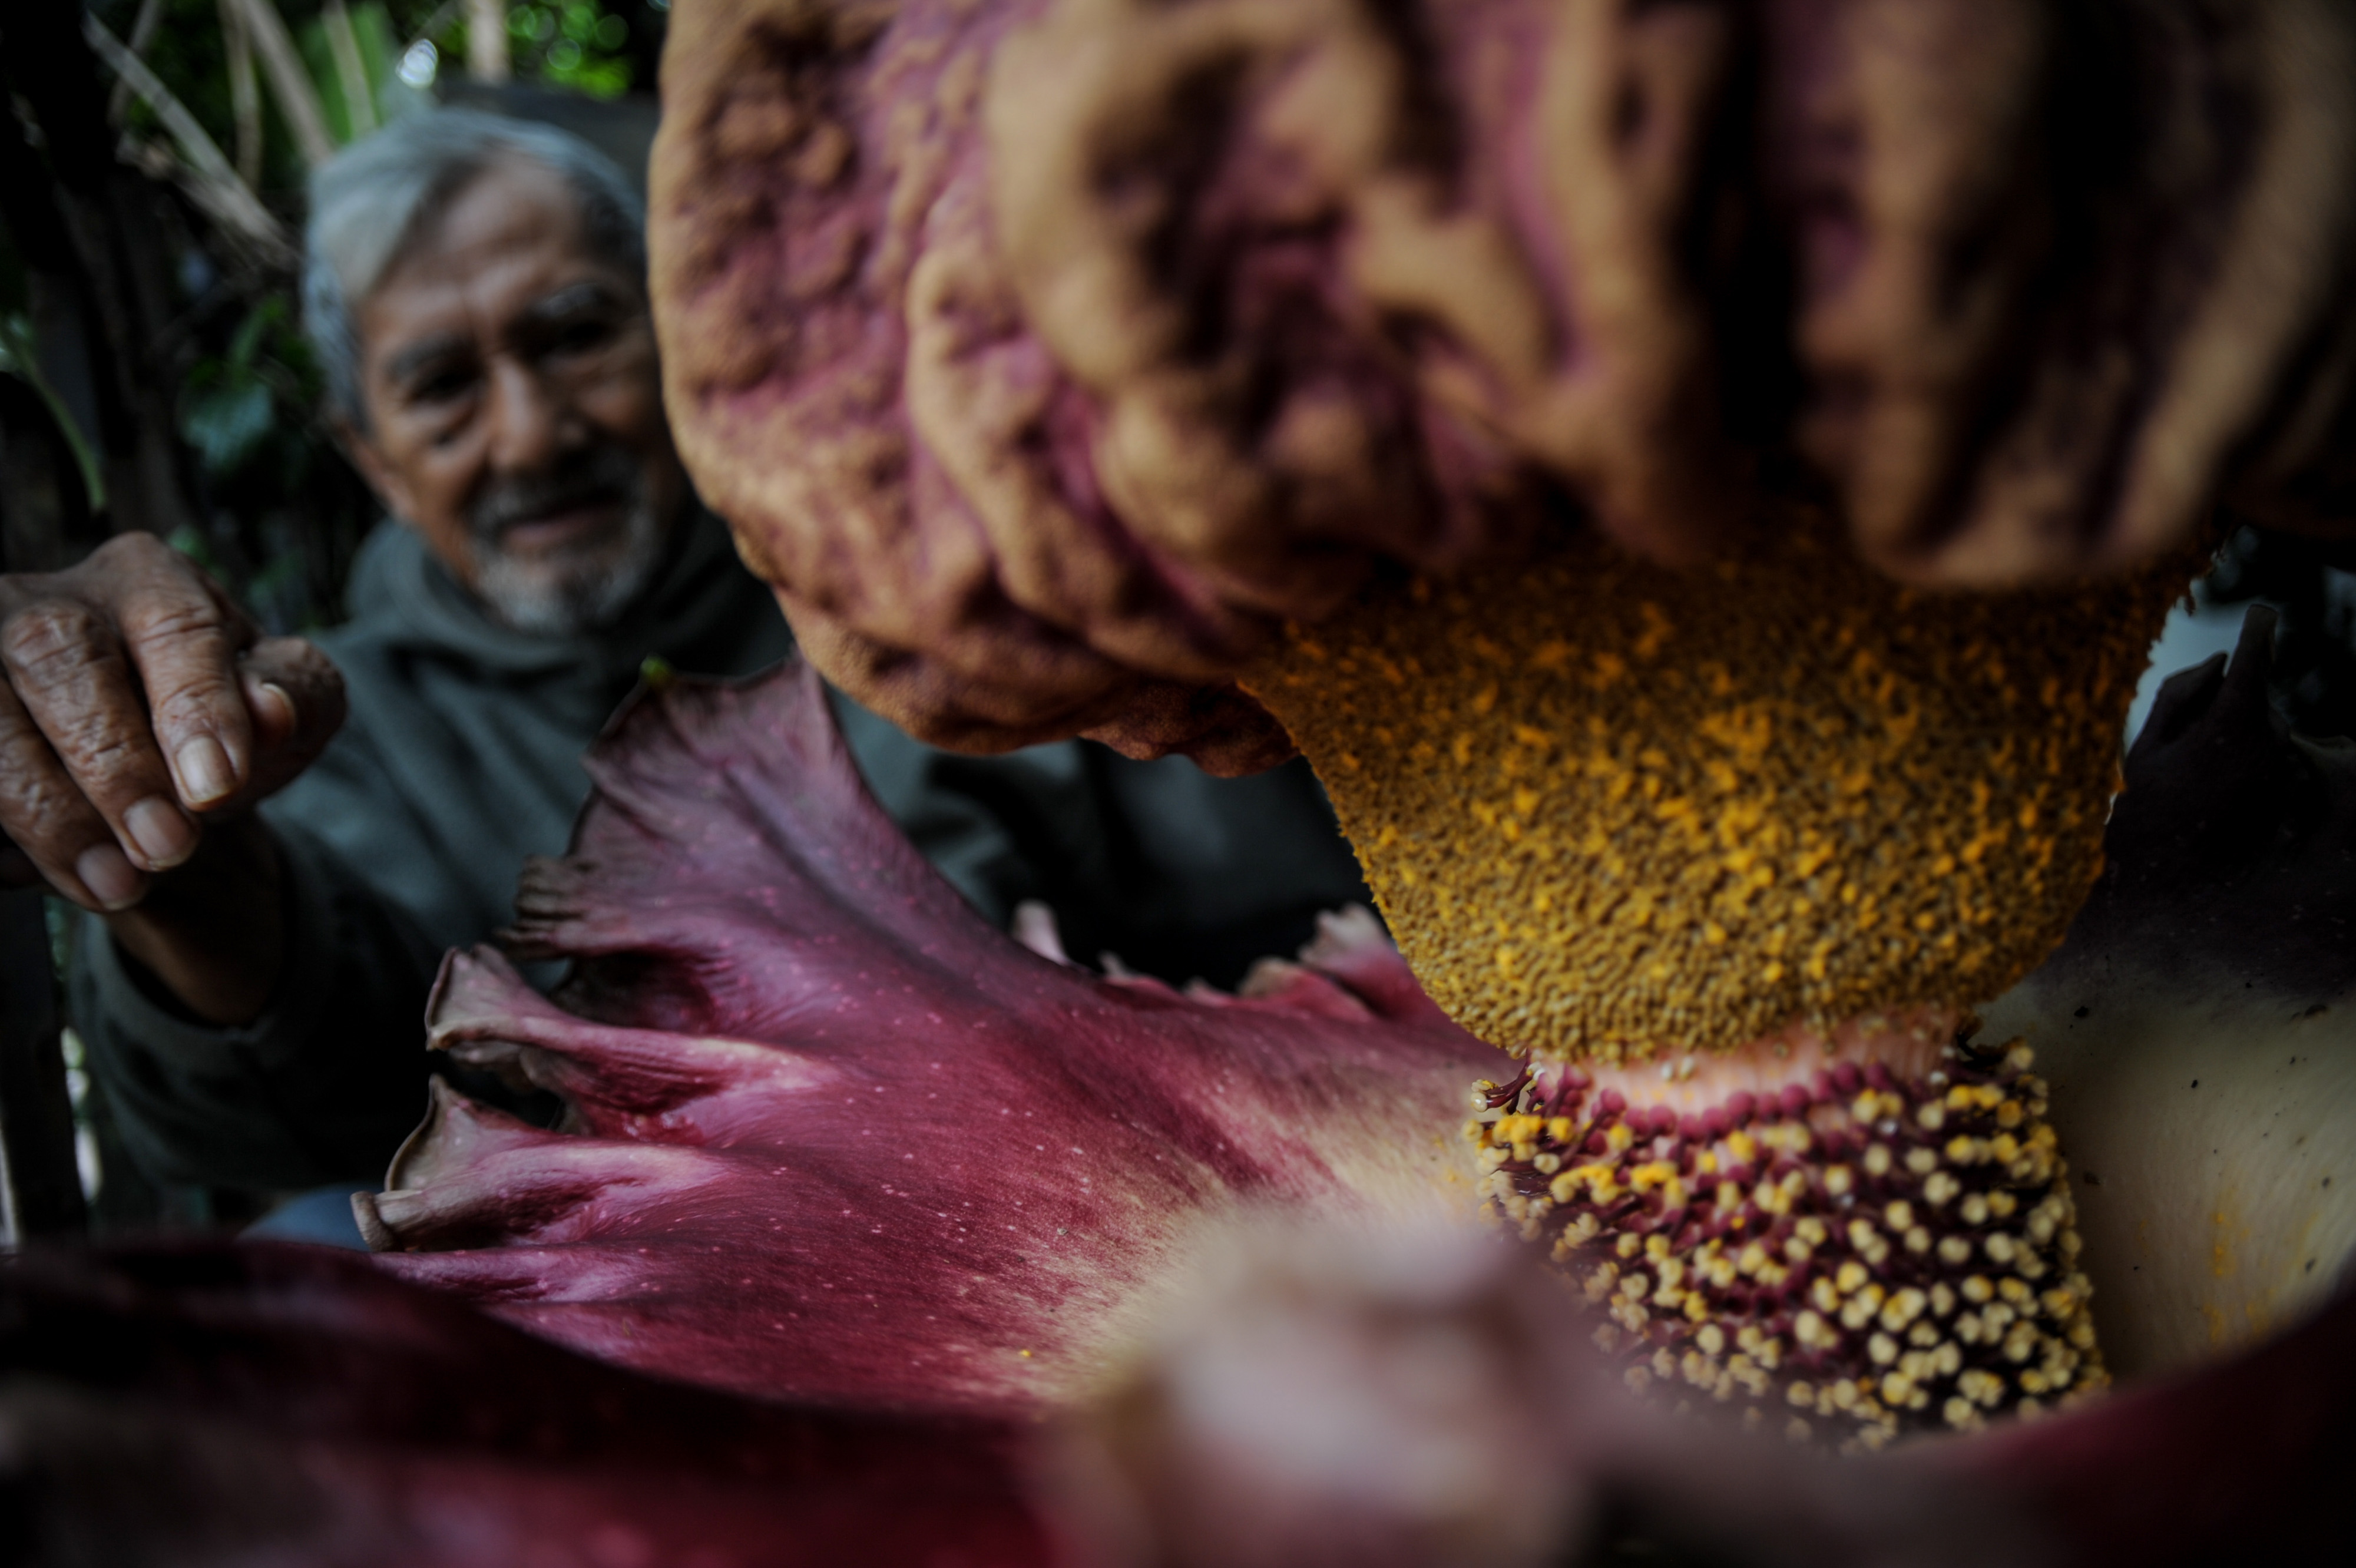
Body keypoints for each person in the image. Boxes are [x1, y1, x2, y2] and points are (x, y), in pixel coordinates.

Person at [0, 110, 1366, 1214]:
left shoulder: (940, 577)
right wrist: (172, 859)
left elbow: (1269, 874)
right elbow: (304, 1101)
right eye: (444, 386)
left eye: (573, 336)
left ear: (686, 349)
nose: (529, 434)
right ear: (372, 457)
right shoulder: (349, 724)